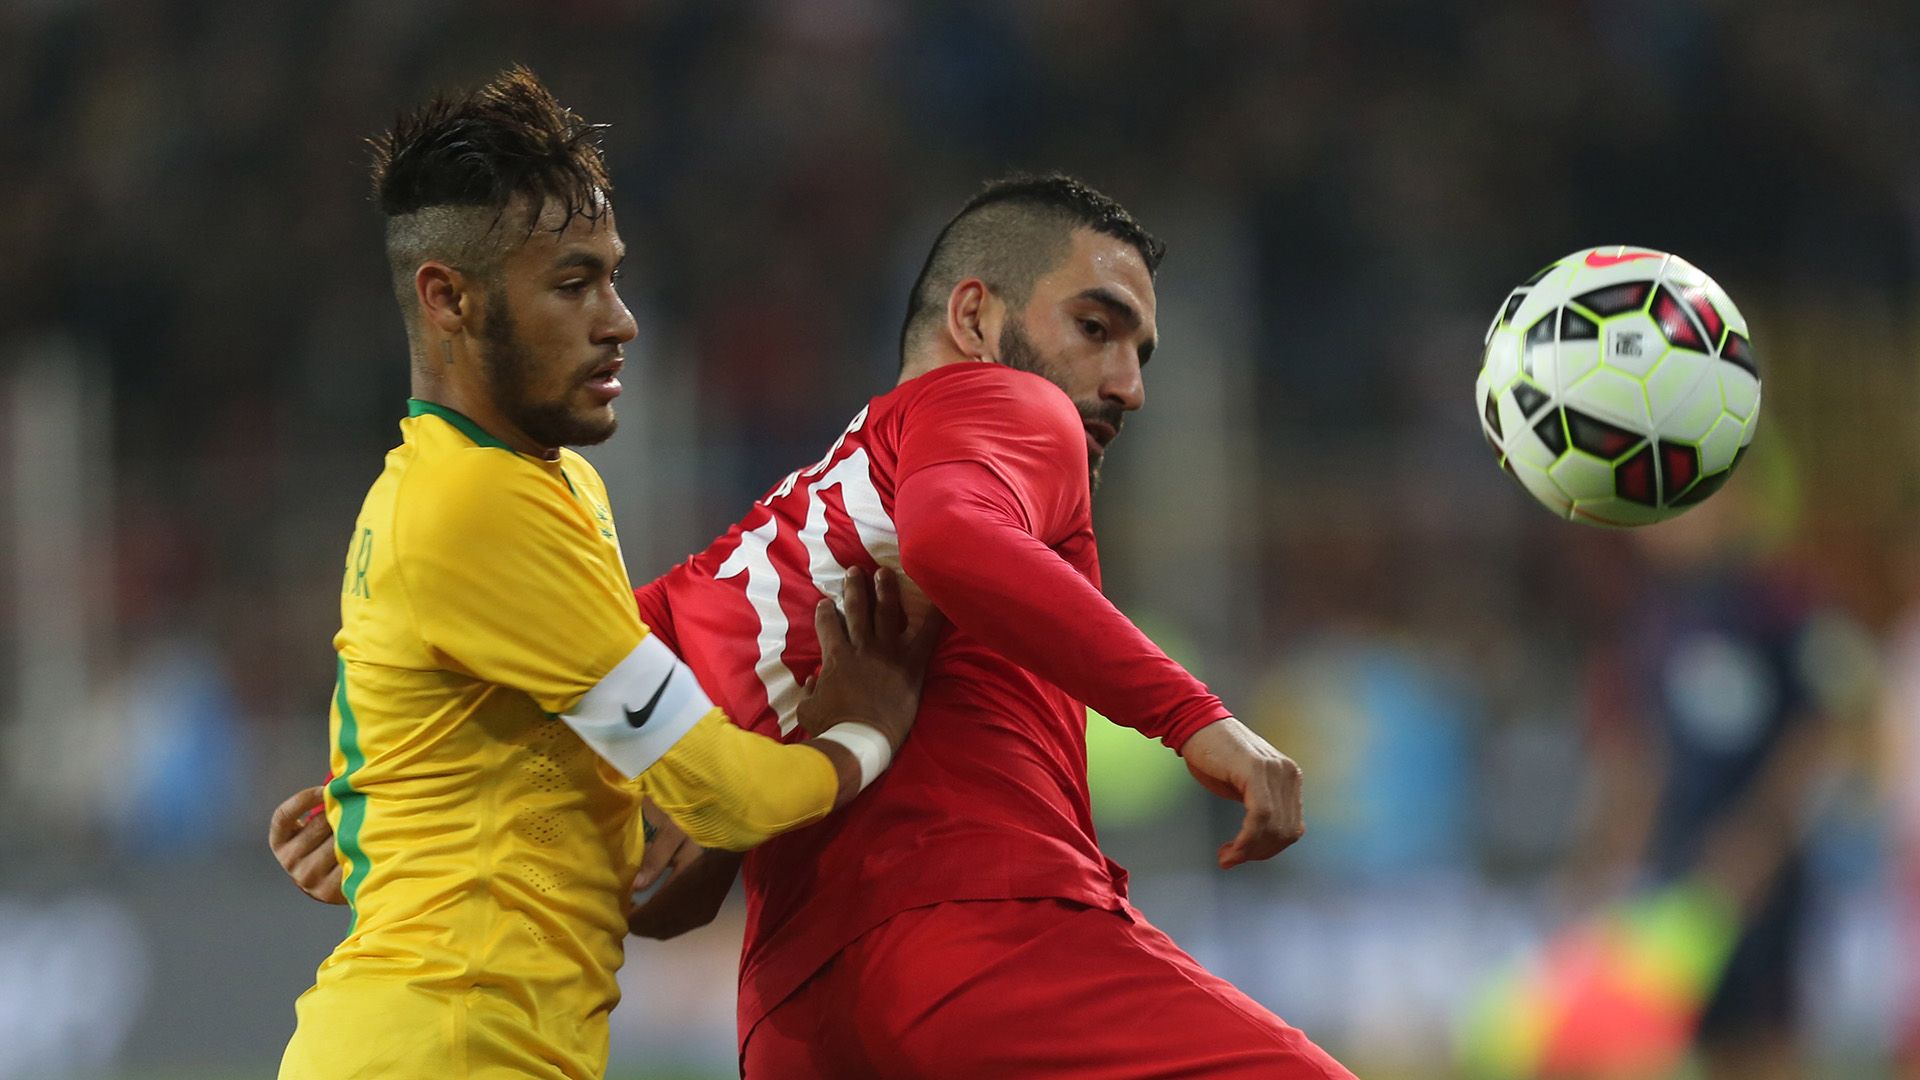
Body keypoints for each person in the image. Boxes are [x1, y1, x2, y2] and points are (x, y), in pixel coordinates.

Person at [277, 172, 1353, 1078]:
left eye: (1142, 353)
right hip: (983, 942)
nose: (1126, 383)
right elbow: (951, 540)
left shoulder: (766, 559)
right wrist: (1202, 721)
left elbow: (662, 883)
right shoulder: (1002, 408)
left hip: (799, 1022)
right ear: (975, 319)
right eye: (1097, 328)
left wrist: (387, 800)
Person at [276, 67, 936, 1080]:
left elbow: (602, 807)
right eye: (574, 285)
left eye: (613, 276)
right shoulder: (469, 509)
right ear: (447, 298)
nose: (620, 319)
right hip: (442, 1049)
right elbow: (718, 792)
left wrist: (382, 823)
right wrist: (865, 732)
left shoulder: (544, 488)